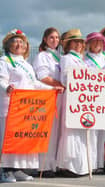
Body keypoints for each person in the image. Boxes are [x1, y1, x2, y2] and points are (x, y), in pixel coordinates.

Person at [0, 29, 61, 183]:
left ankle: (18, 169)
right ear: (8, 45)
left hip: (25, 108)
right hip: (10, 107)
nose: (19, 44)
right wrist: (6, 87)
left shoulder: (26, 64)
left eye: (22, 42)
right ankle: (5, 170)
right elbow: (1, 80)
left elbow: (34, 84)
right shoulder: (4, 61)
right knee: (9, 139)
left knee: (22, 140)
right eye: (15, 41)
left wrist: (52, 89)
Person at [56, 29, 95, 176]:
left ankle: (79, 165)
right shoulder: (67, 58)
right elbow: (66, 78)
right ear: (69, 44)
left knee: (81, 130)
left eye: (80, 42)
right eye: (75, 41)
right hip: (72, 98)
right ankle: (68, 165)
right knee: (71, 131)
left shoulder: (81, 60)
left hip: (82, 99)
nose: (79, 44)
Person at [32, 27, 65, 177]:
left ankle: (53, 165)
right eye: (51, 37)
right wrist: (60, 84)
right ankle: (42, 166)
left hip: (60, 96)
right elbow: (43, 77)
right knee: (48, 131)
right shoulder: (42, 56)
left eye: (57, 38)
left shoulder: (59, 56)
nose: (55, 40)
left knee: (57, 131)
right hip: (47, 96)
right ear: (45, 39)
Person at [84, 32, 105, 171]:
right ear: (88, 44)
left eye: (99, 42)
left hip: (103, 99)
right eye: (94, 42)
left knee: (102, 133)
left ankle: (100, 162)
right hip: (89, 99)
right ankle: (90, 163)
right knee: (91, 132)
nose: (97, 44)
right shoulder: (83, 59)